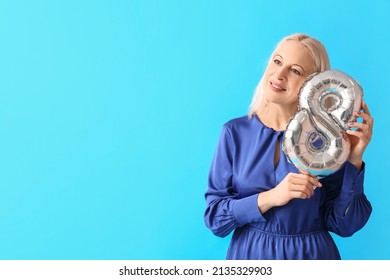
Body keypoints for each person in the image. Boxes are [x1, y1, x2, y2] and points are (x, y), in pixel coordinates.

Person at [204, 33, 373, 260]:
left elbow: (345, 225)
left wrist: (354, 158)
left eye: (295, 70)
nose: (279, 74)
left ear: (315, 85)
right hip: (249, 258)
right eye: (277, 61)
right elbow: (215, 219)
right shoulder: (234, 133)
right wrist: (271, 197)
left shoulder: (329, 144)